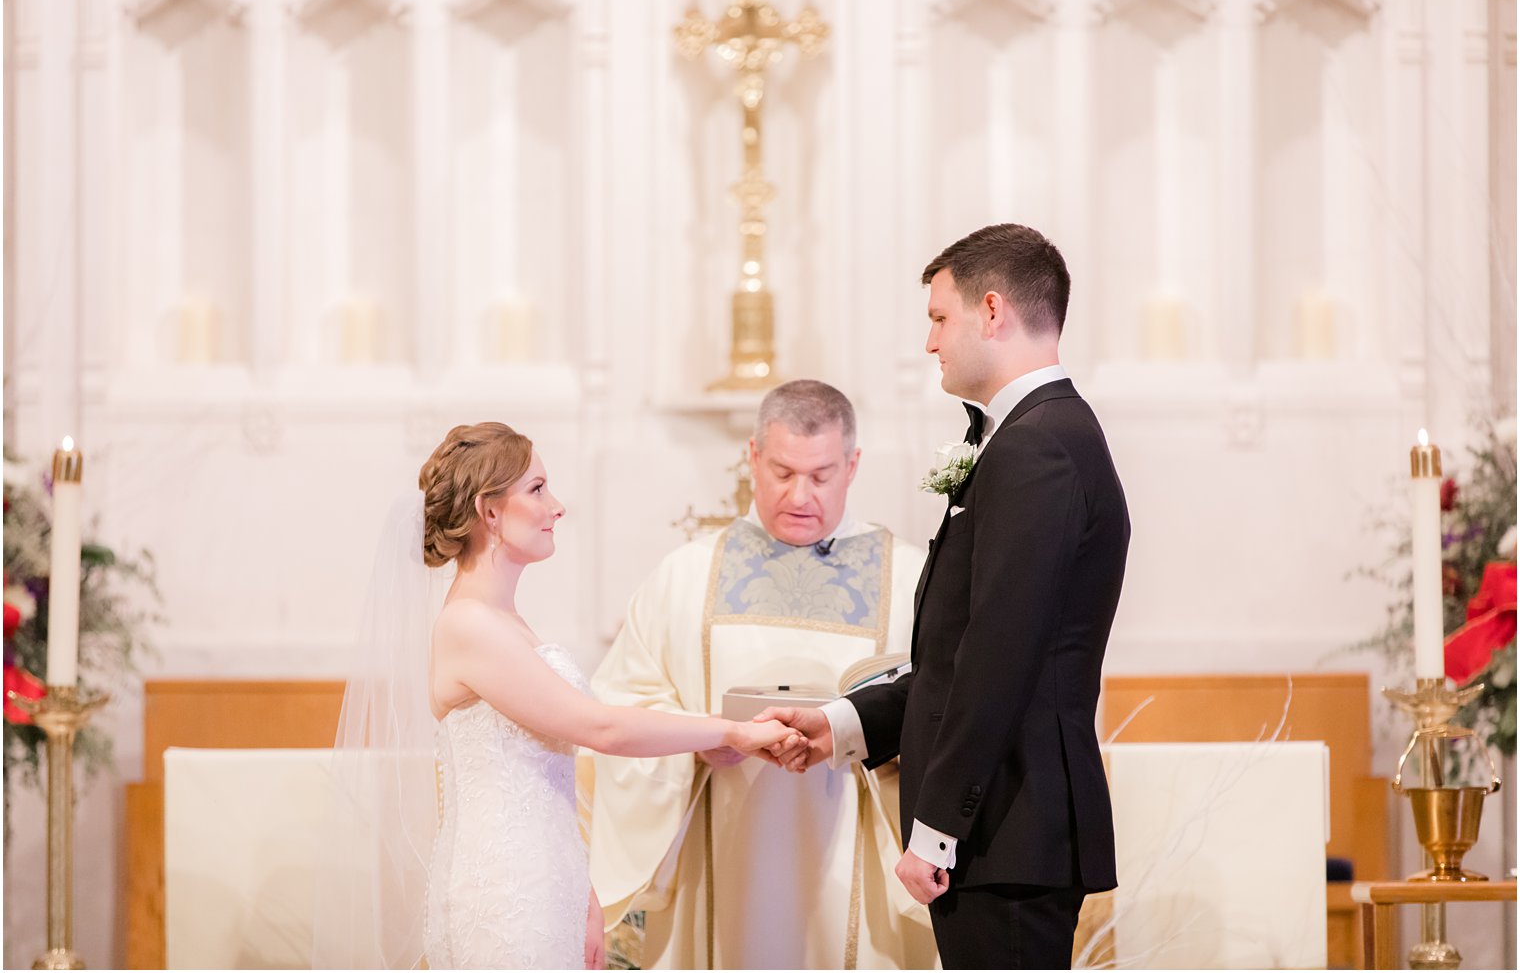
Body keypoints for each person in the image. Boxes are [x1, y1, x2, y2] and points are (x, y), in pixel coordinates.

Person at [762, 225, 1131, 969]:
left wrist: (936, 827)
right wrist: (842, 722)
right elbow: (958, 653)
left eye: (938, 317)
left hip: (1007, 829)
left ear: (991, 311)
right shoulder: (1030, 436)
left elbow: (1001, 656)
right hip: (1003, 829)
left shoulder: (1039, 445)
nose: (930, 342)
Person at [314, 423, 802, 970]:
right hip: (503, 895)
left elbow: (543, 783)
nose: (558, 506)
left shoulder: (504, 621)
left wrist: (582, 893)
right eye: (538, 489)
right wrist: (731, 730)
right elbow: (600, 729)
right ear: (490, 511)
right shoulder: (469, 625)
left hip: (546, 882)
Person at [586, 380, 938, 969]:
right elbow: (622, 704)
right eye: (781, 472)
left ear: (853, 466)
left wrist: (857, 736)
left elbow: (944, 709)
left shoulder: (911, 579)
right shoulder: (684, 577)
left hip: (855, 850)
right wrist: (700, 741)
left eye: (822, 475)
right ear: (752, 457)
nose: (800, 495)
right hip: (722, 842)